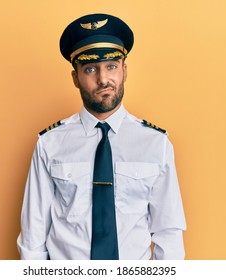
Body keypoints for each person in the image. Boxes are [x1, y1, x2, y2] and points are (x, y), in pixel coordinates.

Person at [17, 13, 186, 260]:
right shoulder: (50, 144)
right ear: (75, 78)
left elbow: (168, 234)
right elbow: (33, 235)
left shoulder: (156, 144)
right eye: (90, 69)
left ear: (124, 71)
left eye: (111, 66)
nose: (103, 79)